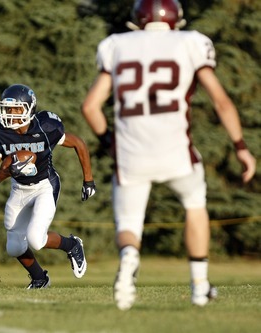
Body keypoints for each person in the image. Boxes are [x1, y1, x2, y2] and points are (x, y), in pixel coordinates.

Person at [81, 0, 256, 311]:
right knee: (194, 203)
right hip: (176, 150)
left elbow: (90, 107)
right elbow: (222, 102)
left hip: (131, 151)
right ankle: (200, 286)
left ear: (138, 19)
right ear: (176, 18)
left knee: (129, 222)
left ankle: (129, 258)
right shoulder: (189, 42)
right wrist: (241, 146)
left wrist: (110, 142)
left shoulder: (116, 45)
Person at [0, 84, 97, 288]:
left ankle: (72, 244)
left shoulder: (46, 126)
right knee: (14, 247)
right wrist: (7, 172)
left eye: (16, 109)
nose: (10, 114)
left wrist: (88, 180)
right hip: (19, 188)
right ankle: (39, 279)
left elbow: (78, 143)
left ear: (29, 109)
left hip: (45, 185)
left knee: (36, 238)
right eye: (8, 109)